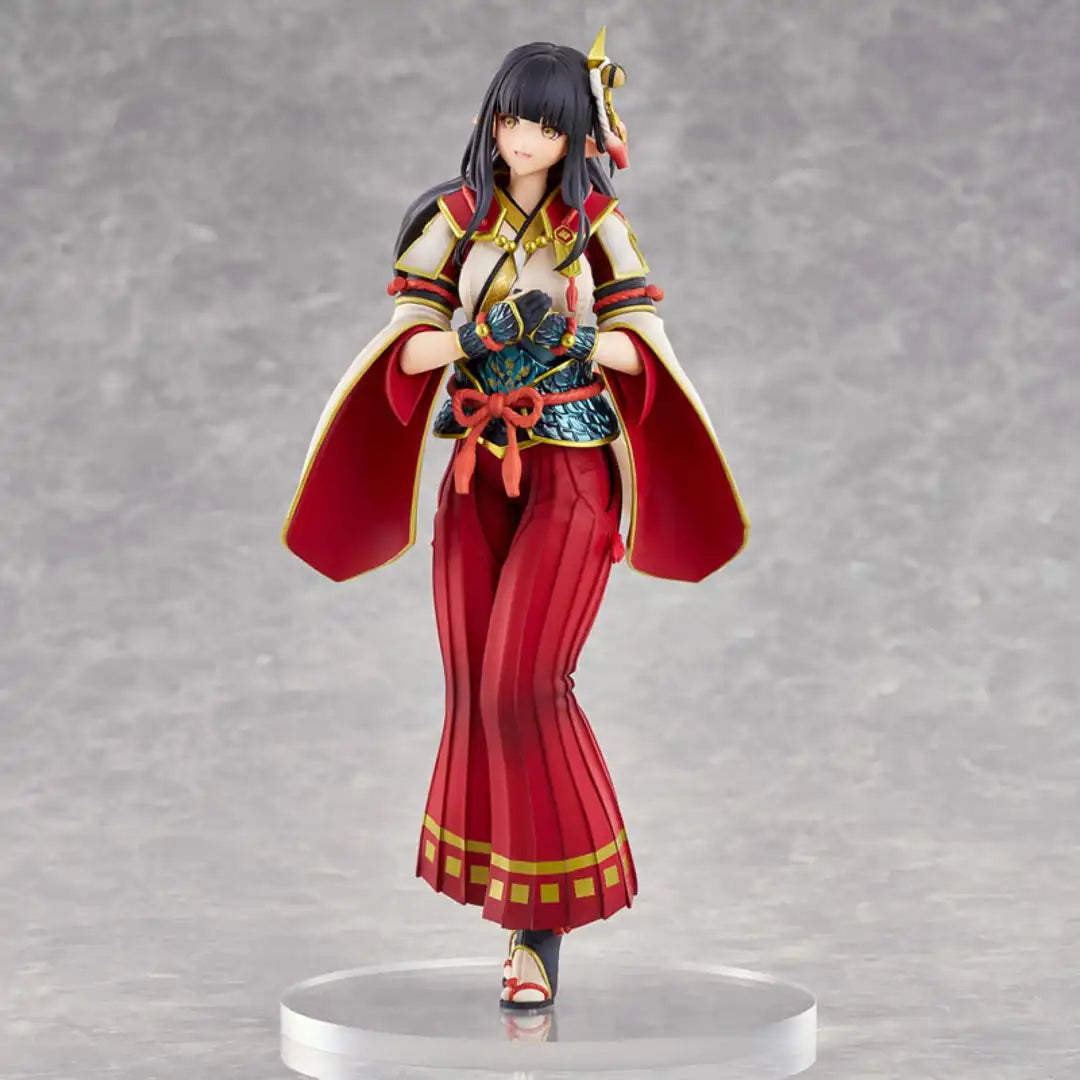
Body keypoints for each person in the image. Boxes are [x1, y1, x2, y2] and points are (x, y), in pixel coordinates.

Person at [282, 30, 749, 1010]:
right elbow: (405, 349)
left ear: (576, 133)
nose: (524, 138)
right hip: (473, 467)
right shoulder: (452, 221)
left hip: (570, 464)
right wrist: (478, 331)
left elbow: (642, 346)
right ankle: (512, 884)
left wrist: (577, 333)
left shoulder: (599, 226)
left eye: (545, 123)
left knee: (524, 684)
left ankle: (542, 927)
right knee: (471, 682)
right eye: (512, 117)